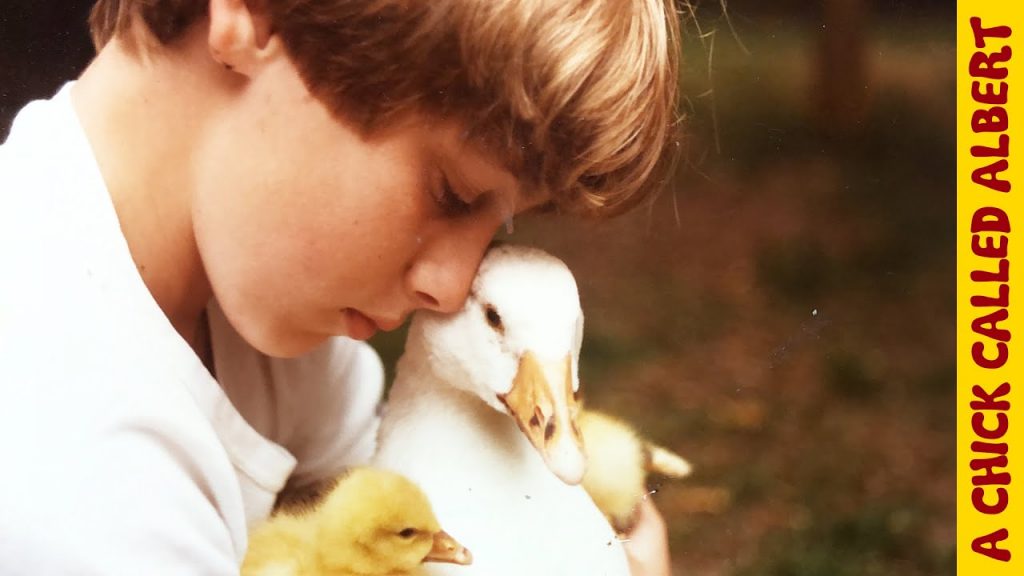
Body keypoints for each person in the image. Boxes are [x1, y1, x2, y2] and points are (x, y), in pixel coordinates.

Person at [0, 0, 680, 573]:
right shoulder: (76, 479)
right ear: (255, 17)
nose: (452, 288)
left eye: (497, 224)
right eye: (450, 193)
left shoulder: (260, 311)